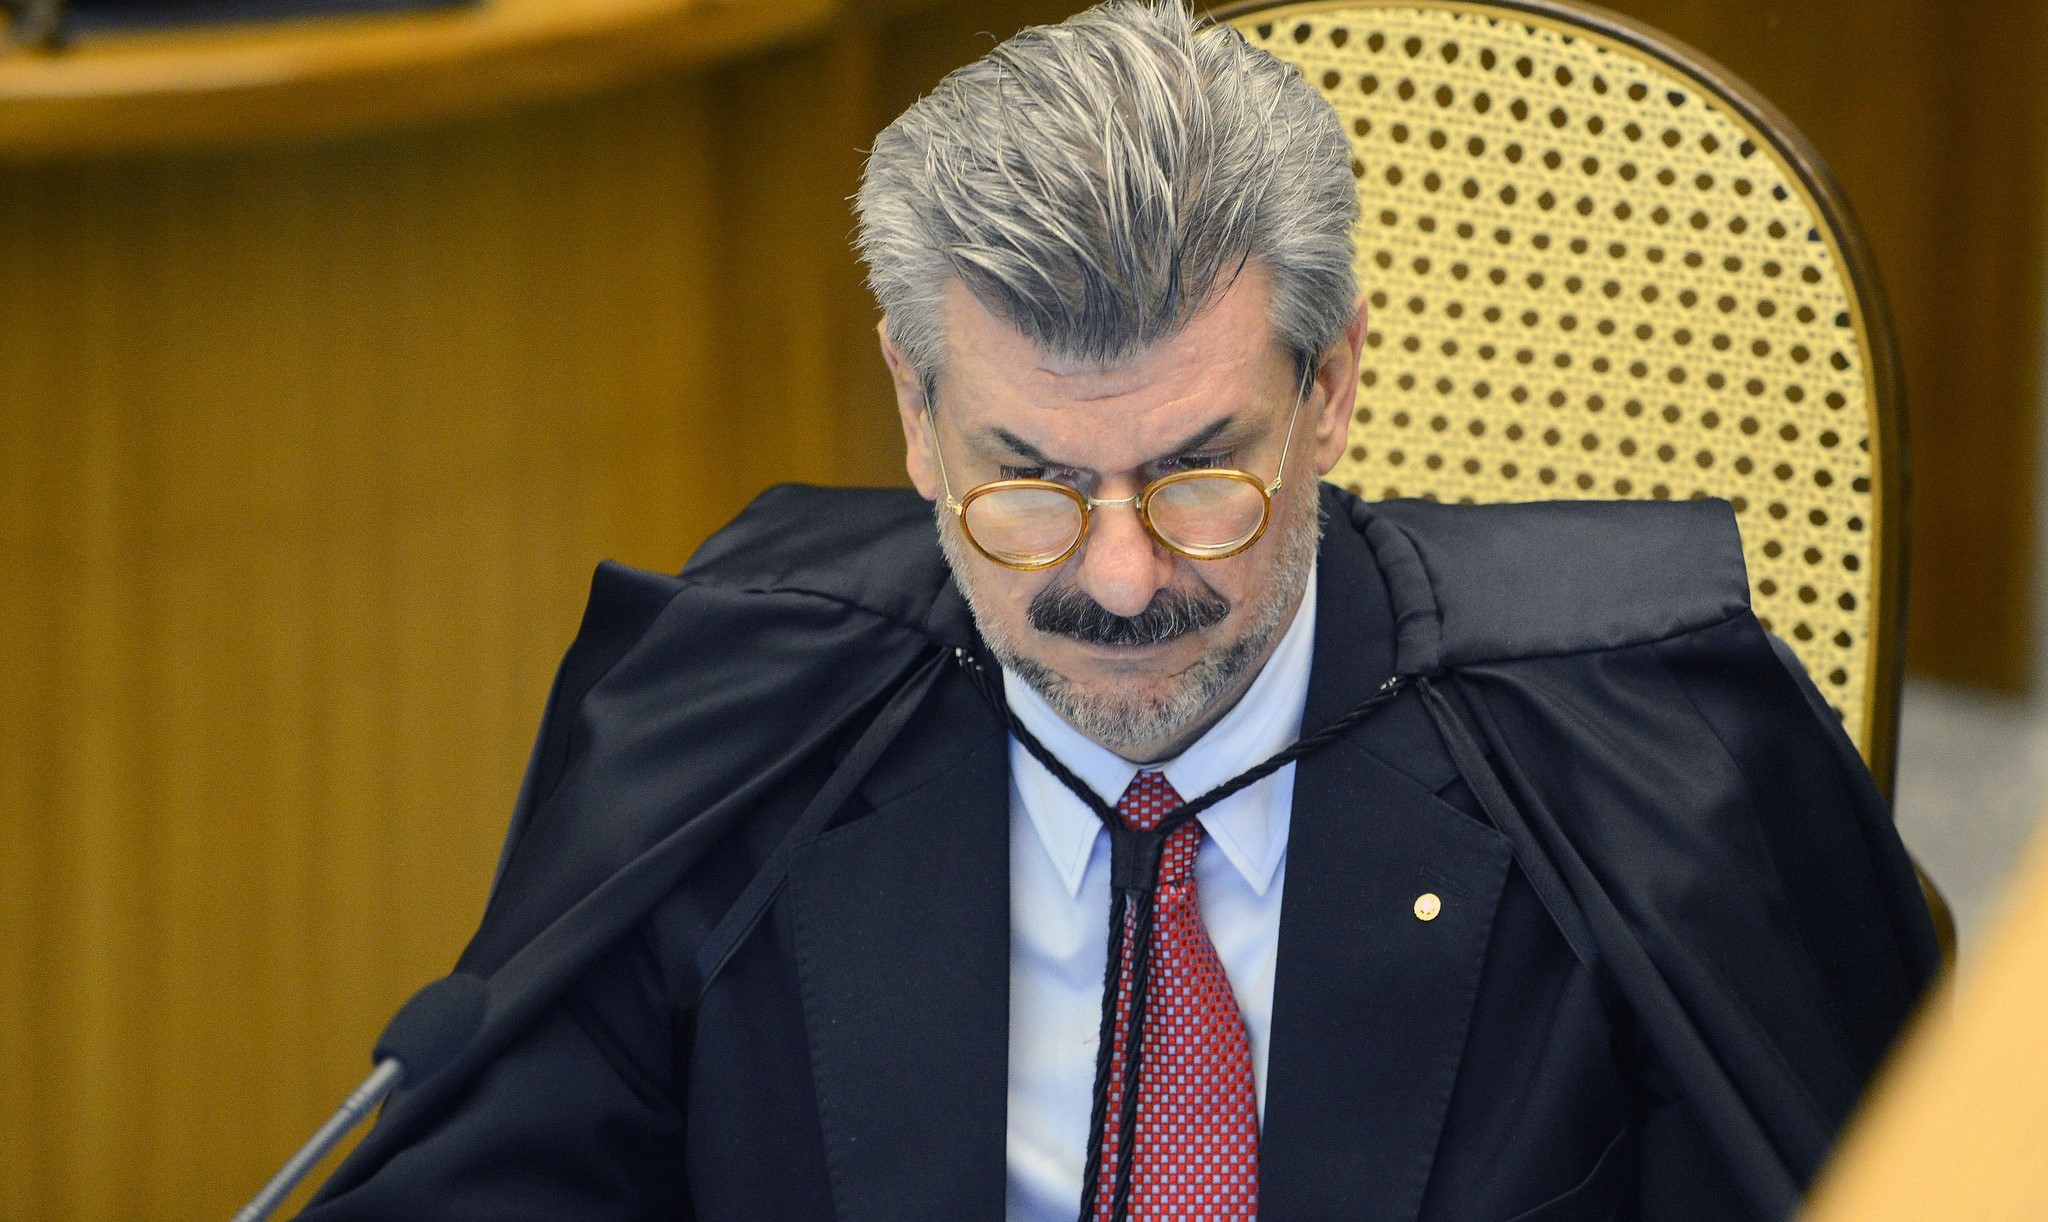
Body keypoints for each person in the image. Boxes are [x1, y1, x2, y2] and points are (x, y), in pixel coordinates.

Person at [299, 3, 1939, 1219]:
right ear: (916, 413)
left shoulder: (1648, 757)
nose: (1122, 578)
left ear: (1330, 387)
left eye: (1198, 472)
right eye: (1027, 480)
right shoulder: (731, 730)